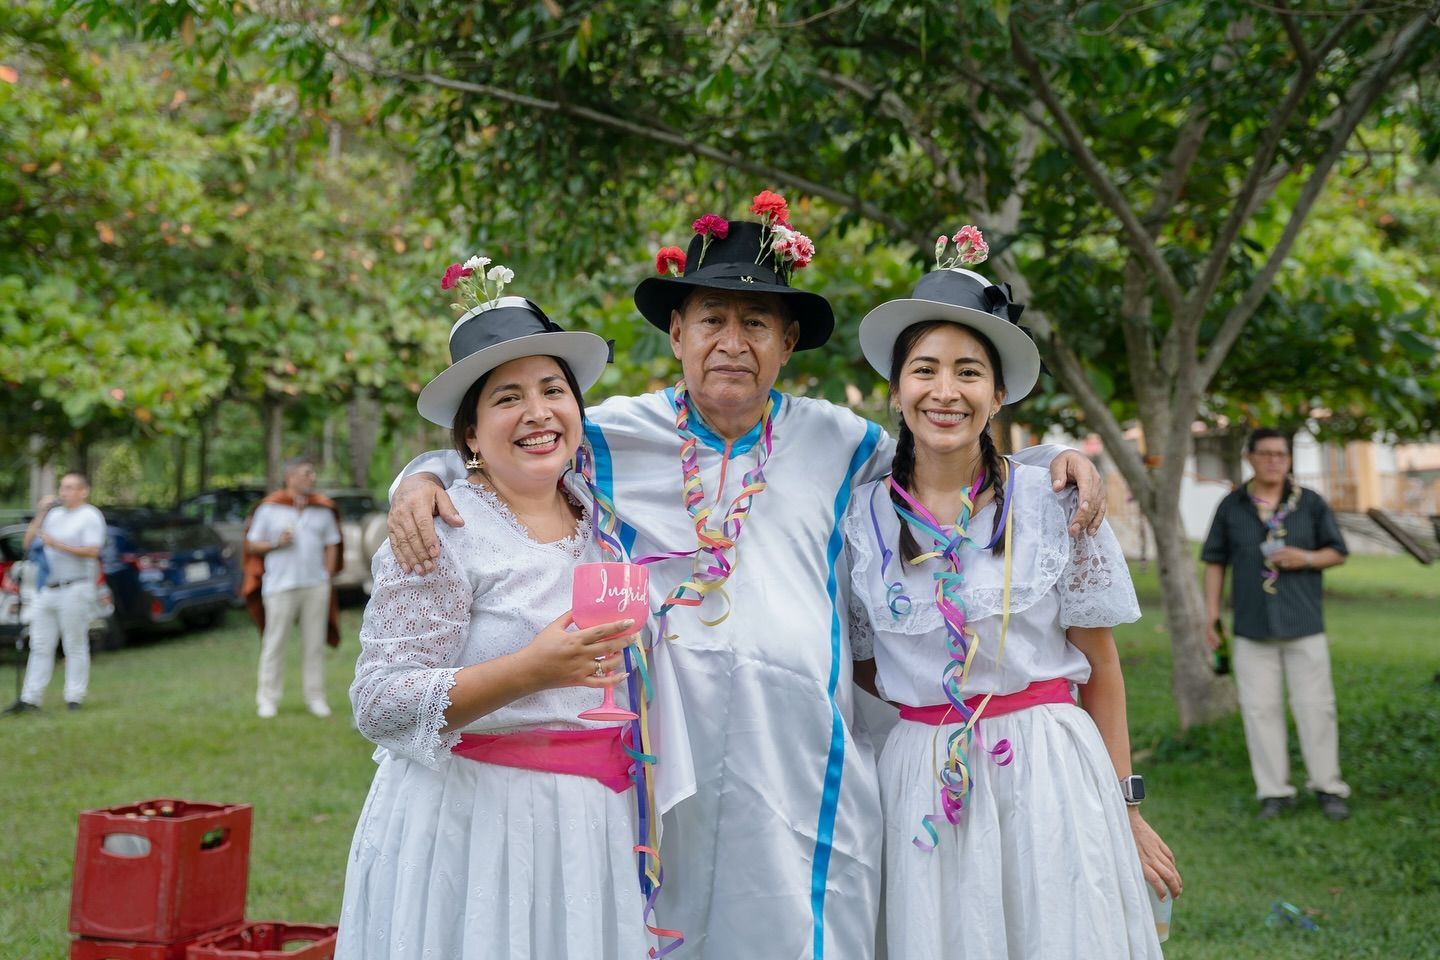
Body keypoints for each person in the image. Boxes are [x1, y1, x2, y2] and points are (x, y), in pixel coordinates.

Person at [386, 198, 1107, 958]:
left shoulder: (844, 440)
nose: (733, 343)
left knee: (804, 929)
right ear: (676, 334)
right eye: (711, 321)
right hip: (668, 758)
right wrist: (422, 475)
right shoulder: (608, 438)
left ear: (788, 341)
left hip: (805, 759)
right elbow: (511, 447)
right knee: (673, 926)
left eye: (756, 323)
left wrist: (1053, 461)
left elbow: (942, 457)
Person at [843, 248, 1181, 958]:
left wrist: (1126, 808)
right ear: (896, 389)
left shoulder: (1054, 502)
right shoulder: (858, 518)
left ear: (998, 395)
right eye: (925, 370)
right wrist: (934, 724)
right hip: (922, 781)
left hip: (1049, 770)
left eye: (970, 372)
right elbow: (868, 663)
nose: (946, 391)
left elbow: (1103, 669)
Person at [335, 284, 652, 958]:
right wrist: (529, 671)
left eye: (551, 390)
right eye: (508, 399)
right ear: (471, 434)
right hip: (473, 826)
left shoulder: (608, 518)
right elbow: (379, 703)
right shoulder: (442, 531)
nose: (537, 413)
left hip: (588, 825)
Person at [1201, 428, 1351, 820]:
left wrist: (1305, 558)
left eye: (1280, 455)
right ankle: (1274, 792)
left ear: (1288, 459)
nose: (1273, 461)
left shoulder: (1310, 503)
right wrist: (1211, 615)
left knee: (1316, 707)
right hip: (1252, 625)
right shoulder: (1232, 505)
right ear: (1250, 457)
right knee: (1259, 710)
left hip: (1304, 621)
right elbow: (1215, 561)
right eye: (1265, 454)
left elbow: (1338, 552)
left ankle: (1328, 787)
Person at [243, 456, 343, 718]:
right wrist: (276, 543)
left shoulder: (321, 508)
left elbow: (333, 541)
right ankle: (267, 700)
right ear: (290, 477)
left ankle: (316, 698)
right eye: (307, 473)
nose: (313, 478)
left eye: (312, 473)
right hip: (279, 585)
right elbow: (252, 544)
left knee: (314, 644)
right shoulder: (269, 508)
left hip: (314, 585)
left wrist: (327, 575)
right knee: (274, 643)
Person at [3, 472, 106, 714]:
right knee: (39, 643)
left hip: (75, 587)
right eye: (62, 487)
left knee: (74, 643)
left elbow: (92, 551)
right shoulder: (53, 515)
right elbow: (28, 543)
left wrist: (57, 545)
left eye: (70, 487)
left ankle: (74, 696)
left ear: (83, 491)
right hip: (46, 588)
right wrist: (41, 514)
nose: (64, 492)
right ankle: (30, 698)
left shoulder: (89, 516)